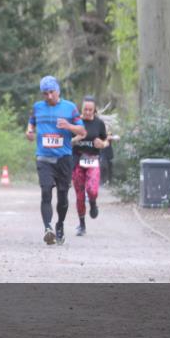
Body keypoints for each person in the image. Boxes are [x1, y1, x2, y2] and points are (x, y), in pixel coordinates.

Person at [25, 76, 85, 245]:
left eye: (51, 92)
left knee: (63, 197)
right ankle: (48, 228)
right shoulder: (37, 108)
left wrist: (69, 126)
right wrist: (29, 132)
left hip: (64, 158)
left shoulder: (70, 108)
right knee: (45, 191)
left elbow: (83, 131)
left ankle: (59, 224)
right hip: (44, 157)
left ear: (58, 91)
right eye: (45, 93)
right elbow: (31, 124)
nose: (49, 96)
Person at [70, 96, 110, 236]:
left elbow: (106, 141)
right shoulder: (75, 122)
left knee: (92, 190)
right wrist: (76, 139)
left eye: (90, 110)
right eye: (85, 109)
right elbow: (66, 143)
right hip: (77, 162)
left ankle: (93, 203)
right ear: (81, 109)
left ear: (94, 110)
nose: (87, 112)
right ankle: (82, 225)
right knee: (80, 195)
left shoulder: (99, 123)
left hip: (92, 160)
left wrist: (102, 144)